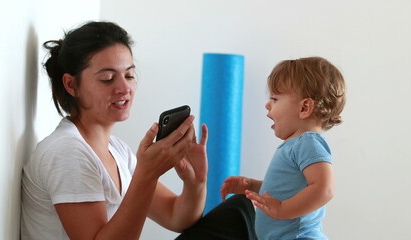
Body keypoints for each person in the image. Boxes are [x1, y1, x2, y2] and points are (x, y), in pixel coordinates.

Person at [21, 21, 209, 240]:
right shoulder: (67, 152)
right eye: (107, 79)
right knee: (235, 216)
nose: (124, 88)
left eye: (129, 75)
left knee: (235, 214)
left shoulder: (117, 151)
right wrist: (146, 175)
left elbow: (176, 217)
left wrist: (195, 182)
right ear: (71, 85)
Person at [220, 57, 346, 239]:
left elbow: (324, 189)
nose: (267, 104)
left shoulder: (308, 142)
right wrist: (253, 186)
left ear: (304, 107)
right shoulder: (295, 144)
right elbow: (290, 191)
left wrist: (281, 209)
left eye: (275, 98)